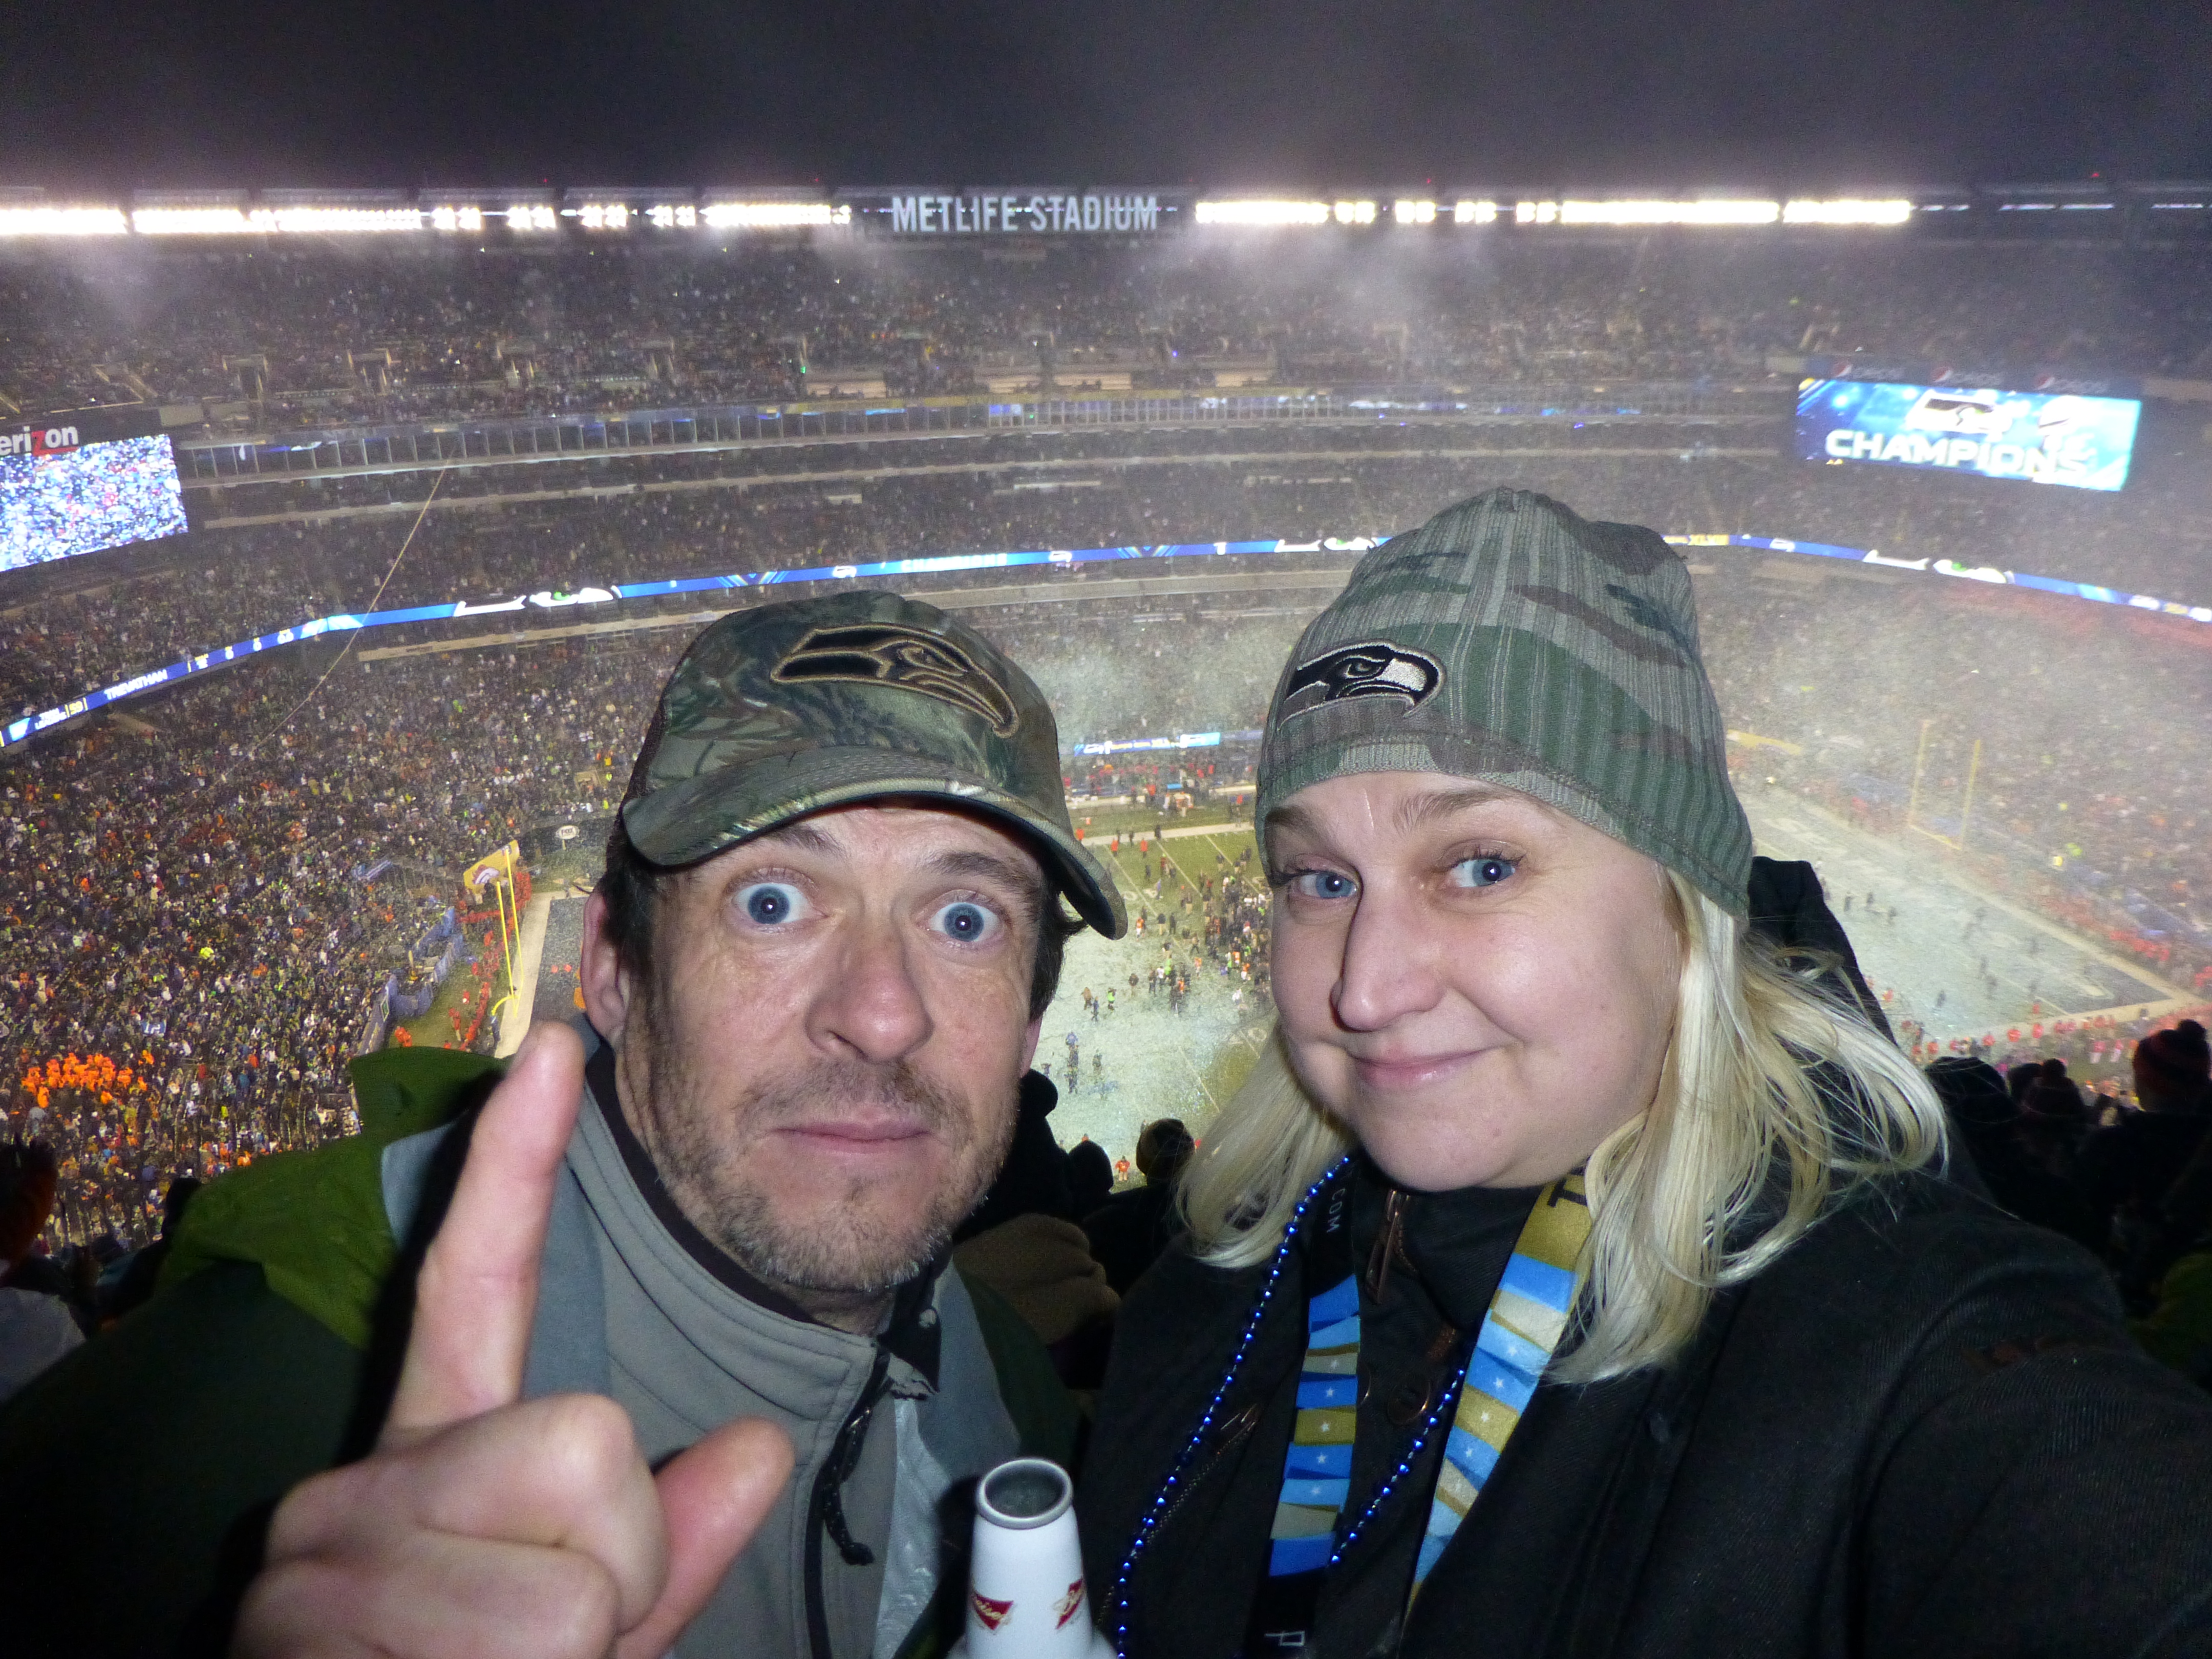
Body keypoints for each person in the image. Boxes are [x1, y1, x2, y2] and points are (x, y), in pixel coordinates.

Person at [1077, 489, 2212, 1658]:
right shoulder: (1223, 1263)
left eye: (1481, 865)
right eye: (1320, 881)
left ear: (1685, 907)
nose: (1365, 989)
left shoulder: (1902, 1336)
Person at [0, 590, 1126, 1659]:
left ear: (1030, 1024)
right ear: (614, 970)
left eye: (966, 919)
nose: (881, 1015)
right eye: (771, 902)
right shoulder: (193, 1442)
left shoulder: (1020, 1407)